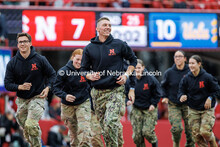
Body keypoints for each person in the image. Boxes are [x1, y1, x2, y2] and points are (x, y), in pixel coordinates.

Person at [81, 17, 137, 147]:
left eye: (109, 25)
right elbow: (83, 70)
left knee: (110, 122)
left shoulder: (119, 44)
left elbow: (133, 61)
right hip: (97, 93)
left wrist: (126, 75)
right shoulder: (89, 48)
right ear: (97, 29)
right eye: (104, 25)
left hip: (115, 91)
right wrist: (89, 76)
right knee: (106, 128)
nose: (108, 27)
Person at [4, 32, 56, 147]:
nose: (22, 44)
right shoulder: (12, 63)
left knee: (30, 124)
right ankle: (34, 144)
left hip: (37, 98)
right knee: (26, 127)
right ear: (17, 45)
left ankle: (38, 145)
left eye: (25, 41)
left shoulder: (40, 59)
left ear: (30, 43)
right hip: (22, 100)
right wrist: (19, 87)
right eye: (20, 42)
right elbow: (7, 84)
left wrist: (48, 88)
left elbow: (53, 75)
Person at [178, 55, 220, 147]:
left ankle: (212, 139)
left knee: (205, 132)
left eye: (193, 63)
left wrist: (210, 98)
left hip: (206, 109)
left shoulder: (207, 77)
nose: (190, 65)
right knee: (196, 136)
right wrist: (182, 96)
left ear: (199, 64)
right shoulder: (186, 78)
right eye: (189, 63)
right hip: (193, 109)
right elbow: (181, 91)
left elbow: (217, 90)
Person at [53, 49, 92, 147]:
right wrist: (64, 95)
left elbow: (92, 85)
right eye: (77, 59)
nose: (79, 62)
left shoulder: (87, 71)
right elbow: (55, 88)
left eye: (82, 60)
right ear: (72, 58)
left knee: (85, 130)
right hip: (68, 105)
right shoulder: (63, 71)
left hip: (83, 102)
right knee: (74, 135)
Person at [161, 50, 195, 147]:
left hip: (188, 105)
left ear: (185, 59)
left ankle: (190, 145)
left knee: (190, 130)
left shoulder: (191, 71)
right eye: (176, 57)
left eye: (180, 56)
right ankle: (176, 143)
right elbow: (163, 86)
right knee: (176, 128)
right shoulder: (169, 73)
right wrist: (164, 96)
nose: (177, 58)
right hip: (174, 104)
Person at [130, 59, 161, 147]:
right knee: (137, 137)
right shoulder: (130, 79)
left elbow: (158, 93)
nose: (137, 70)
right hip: (136, 108)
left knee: (147, 132)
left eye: (139, 68)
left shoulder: (150, 78)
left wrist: (153, 104)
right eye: (135, 68)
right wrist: (127, 101)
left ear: (143, 68)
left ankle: (155, 143)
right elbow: (126, 92)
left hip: (149, 108)